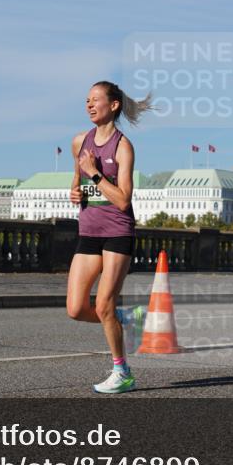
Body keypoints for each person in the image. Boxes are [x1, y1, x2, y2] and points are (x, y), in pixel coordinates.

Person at [66, 81, 153, 394]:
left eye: (96, 100)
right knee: (76, 308)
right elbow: (77, 183)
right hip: (88, 231)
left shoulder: (122, 146)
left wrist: (95, 173)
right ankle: (126, 318)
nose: (89, 105)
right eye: (86, 100)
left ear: (113, 105)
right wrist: (75, 191)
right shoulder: (80, 142)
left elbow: (123, 200)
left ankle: (122, 371)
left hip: (117, 232)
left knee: (103, 304)